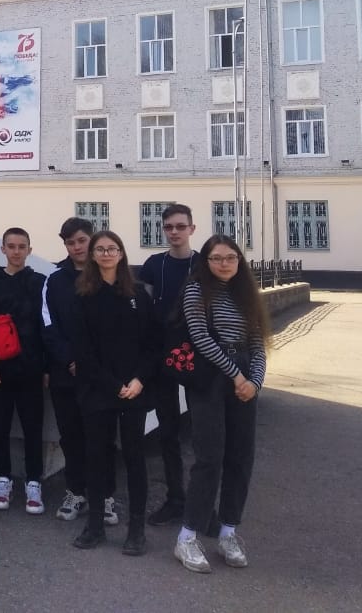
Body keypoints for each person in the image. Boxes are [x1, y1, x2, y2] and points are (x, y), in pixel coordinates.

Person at [174, 235, 270, 574]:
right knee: (209, 457)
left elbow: (257, 343)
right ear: (206, 261)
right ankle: (187, 536)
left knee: (241, 456)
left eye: (231, 257)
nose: (224, 264)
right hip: (210, 378)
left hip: (243, 377)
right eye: (216, 258)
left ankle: (228, 532)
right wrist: (236, 376)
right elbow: (200, 337)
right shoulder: (196, 290)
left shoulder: (246, 294)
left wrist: (254, 382)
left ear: (239, 261)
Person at [70, 230, 158, 555]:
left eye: (112, 248)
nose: (106, 253)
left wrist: (139, 380)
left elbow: (153, 345)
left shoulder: (139, 295)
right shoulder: (83, 296)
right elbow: (82, 350)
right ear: (92, 255)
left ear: (121, 254)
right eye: (100, 249)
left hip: (134, 390)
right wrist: (112, 385)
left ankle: (136, 530)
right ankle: (94, 526)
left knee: (135, 458)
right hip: (97, 390)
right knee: (97, 458)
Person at [0, 227, 48, 516]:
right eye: (11, 246)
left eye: (22, 246)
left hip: (31, 369)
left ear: (30, 250)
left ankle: (33, 482)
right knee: (1, 428)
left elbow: (45, 326)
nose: (16, 251)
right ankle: (3, 479)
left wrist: (46, 367)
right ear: (2, 249)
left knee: (33, 429)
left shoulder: (39, 282)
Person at [42, 216, 110, 524]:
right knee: (71, 436)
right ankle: (76, 492)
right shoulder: (54, 279)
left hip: (99, 375)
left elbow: (114, 328)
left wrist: (90, 363)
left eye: (82, 240)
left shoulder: (107, 273)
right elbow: (48, 324)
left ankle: (105, 496)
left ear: (91, 239)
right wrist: (69, 359)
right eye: (70, 243)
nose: (77, 247)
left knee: (101, 437)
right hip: (65, 373)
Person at [138, 203, 199, 526]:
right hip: (163, 358)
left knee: (203, 433)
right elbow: (144, 310)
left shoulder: (202, 264)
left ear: (192, 229)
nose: (174, 232)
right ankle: (175, 498)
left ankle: (203, 503)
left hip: (198, 357)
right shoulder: (153, 265)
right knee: (168, 432)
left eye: (180, 226)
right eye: (169, 227)